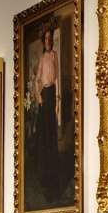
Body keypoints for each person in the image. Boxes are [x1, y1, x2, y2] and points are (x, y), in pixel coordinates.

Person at [34, 25, 62, 202]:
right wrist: (39, 96)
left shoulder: (54, 55)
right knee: (43, 135)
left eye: (50, 38)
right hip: (44, 96)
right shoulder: (42, 58)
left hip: (52, 95)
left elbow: (57, 78)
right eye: (46, 38)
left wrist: (58, 101)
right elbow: (37, 79)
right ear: (43, 41)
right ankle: (43, 176)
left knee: (51, 135)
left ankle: (53, 178)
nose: (49, 41)